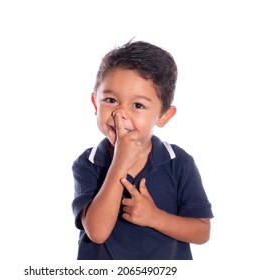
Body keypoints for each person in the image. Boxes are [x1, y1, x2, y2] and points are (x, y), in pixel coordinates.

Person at [71, 40, 213, 260]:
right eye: (110, 100)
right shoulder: (88, 163)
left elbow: (202, 232)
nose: (120, 114)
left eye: (137, 105)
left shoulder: (179, 161)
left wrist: (154, 217)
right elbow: (97, 232)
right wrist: (120, 162)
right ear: (95, 103)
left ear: (164, 116)